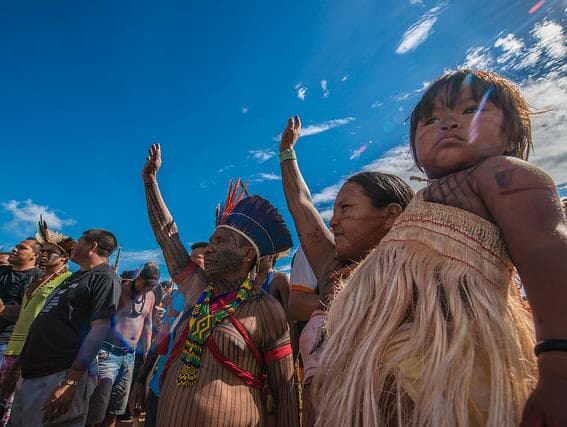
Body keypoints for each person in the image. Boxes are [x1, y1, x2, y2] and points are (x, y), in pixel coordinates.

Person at [313, 69, 567, 426]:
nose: (448, 124)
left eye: (470, 111)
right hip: (381, 373)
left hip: (453, 366)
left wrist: (558, 369)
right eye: (431, 119)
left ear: (512, 135)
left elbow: (547, 250)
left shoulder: (501, 174)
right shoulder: (419, 203)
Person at [142, 144, 299, 426]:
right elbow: (168, 235)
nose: (210, 249)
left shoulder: (266, 309)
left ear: (247, 253)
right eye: (211, 241)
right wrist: (150, 181)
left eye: (220, 241)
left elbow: (285, 392)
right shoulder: (197, 290)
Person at [279, 115, 414, 425]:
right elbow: (301, 204)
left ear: (390, 215)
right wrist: (286, 152)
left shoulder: (417, 277)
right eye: (334, 209)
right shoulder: (331, 267)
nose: (333, 221)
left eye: (346, 209)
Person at [10, 229, 121, 426]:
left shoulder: (105, 278)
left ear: (92, 246)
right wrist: (18, 367)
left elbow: (99, 330)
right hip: (32, 371)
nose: (74, 247)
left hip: (58, 373)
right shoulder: (75, 277)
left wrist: (71, 381)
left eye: (79, 242)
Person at [0, 220, 75, 426]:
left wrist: (20, 362)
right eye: (43, 250)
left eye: (50, 251)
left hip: (32, 355)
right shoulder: (36, 280)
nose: (44, 254)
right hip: (12, 348)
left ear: (64, 258)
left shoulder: (67, 281)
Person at [86, 263, 157, 427]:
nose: (146, 289)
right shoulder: (120, 291)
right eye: (145, 284)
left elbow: (148, 323)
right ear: (138, 278)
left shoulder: (151, 296)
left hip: (129, 356)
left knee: (116, 408)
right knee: (97, 407)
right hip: (108, 352)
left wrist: (146, 349)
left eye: (151, 287)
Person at [0, 239, 42, 364]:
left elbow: (33, 312)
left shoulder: (40, 278)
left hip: (7, 342)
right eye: (16, 246)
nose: (14, 249)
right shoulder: (2, 272)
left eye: (22, 248)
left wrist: (3, 309)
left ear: (36, 255)